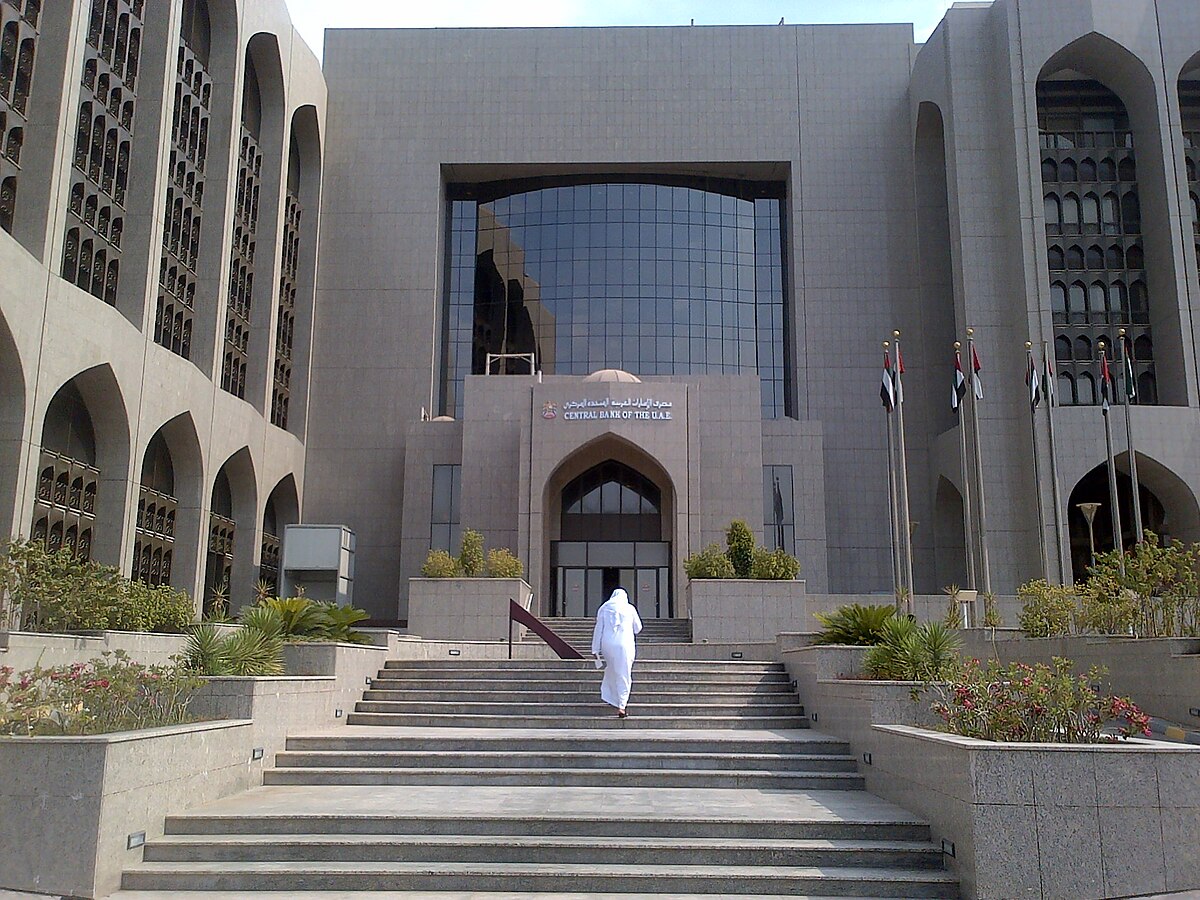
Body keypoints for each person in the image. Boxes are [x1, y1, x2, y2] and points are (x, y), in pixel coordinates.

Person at [591, 587, 642, 717]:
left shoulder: (604, 608)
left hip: (607, 645)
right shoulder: (630, 608)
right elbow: (638, 628)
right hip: (625, 645)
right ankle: (622, 705)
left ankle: (611, 697)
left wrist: (595, 649)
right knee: (624, 673)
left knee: (612, 670)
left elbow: (598, 629)